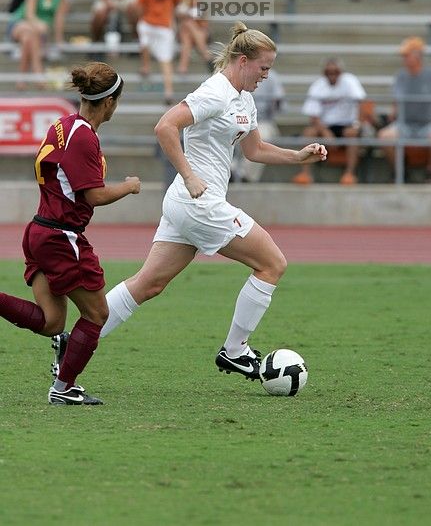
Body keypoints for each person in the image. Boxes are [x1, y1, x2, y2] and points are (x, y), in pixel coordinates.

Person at [91, 23, 326, 381]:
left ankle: (75, 338)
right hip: (198, 202)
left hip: (187, 205)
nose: (266, 75)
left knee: (149, 284)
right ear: (243, 60)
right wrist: (188, 174)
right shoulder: (215, 92)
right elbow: (165, 127)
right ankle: (234, 351)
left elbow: (255, 150)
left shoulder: (243, 98)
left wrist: (298, 156)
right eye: (264, 68)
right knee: (272, 264)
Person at [0, 63, 141, 405]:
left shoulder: (63, 125)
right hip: (61, 236)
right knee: (97, 314)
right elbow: (93, 195)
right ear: (109, 103)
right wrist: (128, 187)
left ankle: (64, 385)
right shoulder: (83, 137)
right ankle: (63, 388)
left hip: (40, 230)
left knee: (52, 322)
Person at [378, 37, 431, 183]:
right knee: (385, 136)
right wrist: (393, 111)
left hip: (430, 123)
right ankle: (399, 172)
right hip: (405, 123)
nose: (404, 59)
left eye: (406, 55)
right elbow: (397, 97)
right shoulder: (401, 76)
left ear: (417, 55)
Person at [292, 58, 366, 186]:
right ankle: (305, 174)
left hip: (347, 125)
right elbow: (313, 115)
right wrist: (325, 131)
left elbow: (362, 104)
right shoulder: (318, 85)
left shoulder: (350, 81)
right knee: (308, 133)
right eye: (328, 71)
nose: (332, 74)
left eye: (335, 71)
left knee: (352, 135)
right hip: (325, 125)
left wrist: (356, 125)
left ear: (341, 72)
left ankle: (349, 174)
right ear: (324, 72)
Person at [9, 0, 68, 89]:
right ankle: (38, 73)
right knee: (31, 33)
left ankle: (22, 79)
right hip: (22, 22)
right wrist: (39, 24)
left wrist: (59, 39)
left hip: (34, 30)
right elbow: (29, 14)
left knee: (27, 39)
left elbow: (59, 17)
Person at [231, 68, 285, 183]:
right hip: (238, 117)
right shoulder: (236, 75)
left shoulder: (272, 77)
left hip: (263, 120)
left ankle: (245, 175)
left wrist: (275, 103)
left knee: (262, 136)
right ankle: (231, 168)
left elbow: (279, 101)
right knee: (229, 128)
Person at [137, 0, 175, 102]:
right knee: (165, 61)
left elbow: (141, 7)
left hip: (148, 22)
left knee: (144, 39)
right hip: (164, 26)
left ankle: (146, 66)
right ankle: (168, 91)